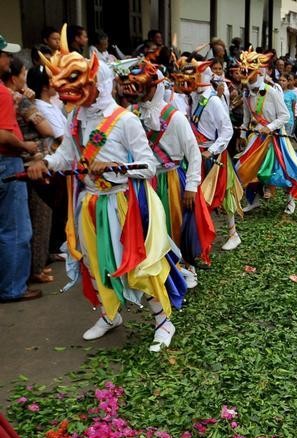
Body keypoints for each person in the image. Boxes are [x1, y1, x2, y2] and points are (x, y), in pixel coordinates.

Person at [29, 30, 185, 350]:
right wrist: (45, 162)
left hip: (122, 204)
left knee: (137, 266)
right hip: (89, 202)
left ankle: (163, 321)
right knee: (93, 262)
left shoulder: (124, 120)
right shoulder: (75, 119)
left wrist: (115, 168)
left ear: (94, 81)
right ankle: (110, 314)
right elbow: (67, 157)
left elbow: (147, 166)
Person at [116, 58, 212, 279]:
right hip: (143, 181)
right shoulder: (132, 115)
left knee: (174, 223)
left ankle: (183, 267)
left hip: (170, 179)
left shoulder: (175, 117)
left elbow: (193, 152)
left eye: (145, 88)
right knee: (148, 225)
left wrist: (192, 185)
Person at [171, 56, 240, 250]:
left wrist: (212, 150)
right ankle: (200, 237)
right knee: (198, 196)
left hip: (212, 154)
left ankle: (233, 233)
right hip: (196, 154)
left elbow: (227, 130)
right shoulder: (191, 97)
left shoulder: (213, 102)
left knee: (223, 193)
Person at [235, 49, 297, 215]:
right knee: (245, 168)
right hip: (256, 139)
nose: (246, 74)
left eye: (249, 71)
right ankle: (252, 201)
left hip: (276, 138)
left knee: (286, 170)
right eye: (244, 71)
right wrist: (242, 135)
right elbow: (247, 119)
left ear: (258, 72)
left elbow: (285, 115)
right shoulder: (246, 93)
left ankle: (291, 201)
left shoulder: (271, 91)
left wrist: (269, 127)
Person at [3, 57, 57, 285]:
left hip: (19, 162)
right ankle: (36, 269)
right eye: (23, 73)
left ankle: (33, 268)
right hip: (31, 164)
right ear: (14, 77)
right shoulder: (19, 100)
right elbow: (47, 128)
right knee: (37, 219)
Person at [0, 34, 42, 303]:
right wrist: (26, 146)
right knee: (15, 230)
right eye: (5, 54)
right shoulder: (3, 94)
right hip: (7, 162)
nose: (9, 59)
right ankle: (13, 288)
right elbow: (3, 135)